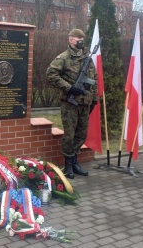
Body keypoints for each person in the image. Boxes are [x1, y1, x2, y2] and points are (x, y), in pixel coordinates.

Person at [46, 29, 98, 179]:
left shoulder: (88, 57)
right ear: (70, 40)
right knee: (69, 134)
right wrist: (69, 88)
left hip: (85, 102)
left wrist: (94, 99)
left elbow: (94, 78)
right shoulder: (64, 57)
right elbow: (50, 74)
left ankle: (75, 162)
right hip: (70, 103)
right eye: (78, 37)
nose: (81, 39)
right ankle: (68, 164)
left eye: (82, 37)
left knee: (82, 134)